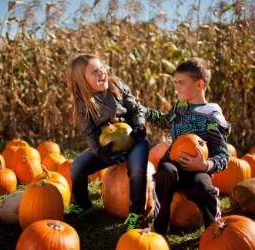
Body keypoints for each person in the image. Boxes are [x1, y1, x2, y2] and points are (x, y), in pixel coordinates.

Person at [141, 57, 231, 235]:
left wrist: (205, 165)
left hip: (198, 169)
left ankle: (215, 230)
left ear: (199, 85)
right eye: (175, 82)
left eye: (181, 83)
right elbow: (163, 120)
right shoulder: (179, 108)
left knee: (203, 189)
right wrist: (140, 109)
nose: (176, 87)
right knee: (164, 172)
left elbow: (223, 155)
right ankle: (160, 228)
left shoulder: (212, 117)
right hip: (173, 162)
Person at [66, 53, 149, 231]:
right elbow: (89, 133)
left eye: (102, 68)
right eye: (94, 72)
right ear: (82, 81)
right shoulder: (83, 103)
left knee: (137, 167)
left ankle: (137, 212)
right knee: (77, 167)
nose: (102, 73)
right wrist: (100, 152)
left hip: (135, 137)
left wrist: (140, 126)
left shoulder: (115, 85)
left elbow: (136, 109)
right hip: (110, 148)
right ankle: (83, 203)